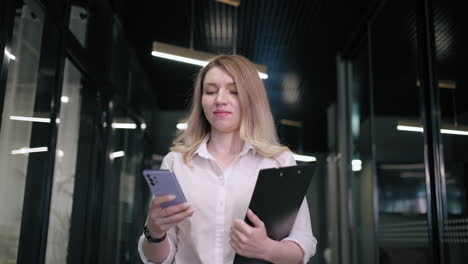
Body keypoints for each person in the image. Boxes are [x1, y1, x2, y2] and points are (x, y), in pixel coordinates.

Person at [138, 55, 317, 264]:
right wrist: (154, 231)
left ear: (251, 98)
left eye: (233, 91)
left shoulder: (279, 162)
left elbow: (304, 242)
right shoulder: (175, 162)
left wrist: (267, 249)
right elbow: (159, 259)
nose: (220, 99)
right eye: (210, 91)